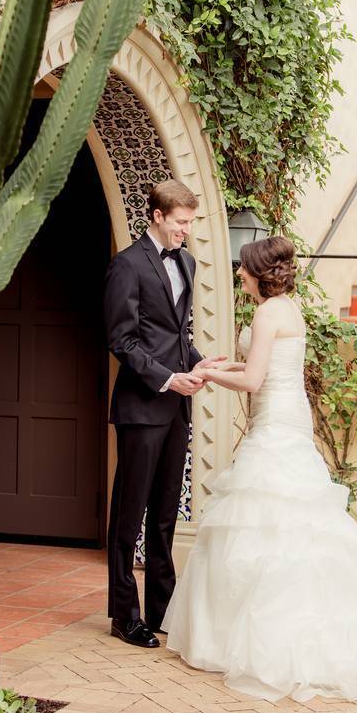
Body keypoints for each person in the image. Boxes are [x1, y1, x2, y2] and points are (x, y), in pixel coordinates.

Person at [162, 235, 357, 700]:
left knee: (268, 517)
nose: (239, 273)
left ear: (259, 273)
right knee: (291, 520)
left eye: (243, 268)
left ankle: (266, 641)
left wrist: (205, 375)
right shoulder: (287, 309)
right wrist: (219, 366)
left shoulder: (266, 313)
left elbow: (254, 379)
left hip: (274, 423)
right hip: (286, 416)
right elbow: (262, 368)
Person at [103, 180, 224, 649]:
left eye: (190, 223)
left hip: (176, 409)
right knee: (128, 515)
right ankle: (124, 614)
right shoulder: (127, 264)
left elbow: (173, 336)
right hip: (141, 406)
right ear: (157, 215)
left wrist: (199, 364)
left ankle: (161, 608)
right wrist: (167, 378)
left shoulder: (186, 263)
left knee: (165, 514)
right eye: (180, 222)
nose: (186, 231)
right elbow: (122, 340)